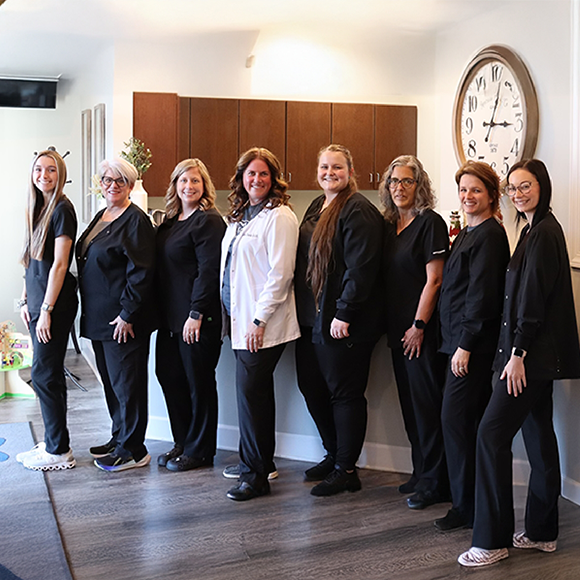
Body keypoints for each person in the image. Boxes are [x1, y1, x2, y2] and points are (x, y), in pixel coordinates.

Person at [459, 159, 580, 567]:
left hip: (528, 359)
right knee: (538, 435)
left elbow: (532, 301)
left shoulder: (543, 232)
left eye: (525, 186)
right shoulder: (532, 229)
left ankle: (491, 540)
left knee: (490, 436)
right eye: (512, 188)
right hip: (535, 359)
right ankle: (543, 532)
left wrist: (517, 354)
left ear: (541, 186)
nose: (518, 193)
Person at [295, 144, 384, 497]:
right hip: (311, 319)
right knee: (311, 386)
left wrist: (344, 312)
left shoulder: (357, 209)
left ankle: (347, 469)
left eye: (337, 167)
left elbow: (361, 268)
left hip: (342, 321)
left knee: (344, 393)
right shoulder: (319, 205)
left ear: (350, 171)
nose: (329, 173)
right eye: (324, 167)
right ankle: (333, 454)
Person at [220, 147, 299, 501]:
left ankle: (255, 477)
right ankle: (258, 462)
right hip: (241, 323)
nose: (256, 180)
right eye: (250, 174)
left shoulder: (279, 216)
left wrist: (258, 319)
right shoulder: (241, 215)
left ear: (274, 179)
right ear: (241, 178)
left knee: (250, 395)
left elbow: (281, 275)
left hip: (260, 325)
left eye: (263, 174)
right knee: (254, 395)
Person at [436, 161, 510, 531]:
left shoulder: (490, 236)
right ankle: (470, 501)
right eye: (463, 190)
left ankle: (465, 506)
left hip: (472, 348)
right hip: (455, 343)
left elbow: (481, 298)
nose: (467, 196)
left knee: (455, 419)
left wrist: (464, 345)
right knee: (463, 422)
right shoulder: (468, 232)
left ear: (492, 196)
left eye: (476, 190)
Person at [76, 158, 156, 472]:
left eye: (120, 181)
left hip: (123, 320)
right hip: (99, 317)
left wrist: (127, 314)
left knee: (128, 385)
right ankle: (119, 436)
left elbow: (142, 272)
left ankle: (134, 449)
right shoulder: (104, 214)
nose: (112, 185)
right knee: (111, 383)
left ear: (131, 186)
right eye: (107, 179)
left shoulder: (135, 220)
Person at [379, 155, 449, 509]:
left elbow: (434, 280)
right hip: (396, 332)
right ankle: (421, 471)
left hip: (420, 332)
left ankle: (437, 482)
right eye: (394, 181)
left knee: (426, 407)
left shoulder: (430, 223)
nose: (399, 188)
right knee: (409, 406)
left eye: (407, 181)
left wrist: (419, 326)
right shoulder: (390, 225)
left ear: (419, 185)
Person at [155, 159, 225, 471]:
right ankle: (182, 442)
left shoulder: (208, 221)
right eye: (183, 181)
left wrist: (195, 313)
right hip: (170, 319)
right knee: (168, 376)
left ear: (205, 185)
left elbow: (209, 272)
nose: (189, 187)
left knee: (199, 383)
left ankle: (201, 450)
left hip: (197, 319)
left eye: (195, 181)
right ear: (175, 185)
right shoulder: (171, 221)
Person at [15, 149, 78, 471]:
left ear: (60, 174)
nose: (44, 175)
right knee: (45, 373)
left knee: (43, 375)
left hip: (54, 303)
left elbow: (60, 265)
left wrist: (47, 309)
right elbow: (32, 259)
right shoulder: (38, 207)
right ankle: (55, 442)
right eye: (39, 169)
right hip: (39, 301)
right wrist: (26, 299)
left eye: (51, 170)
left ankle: (58, 450)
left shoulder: (63, 209)